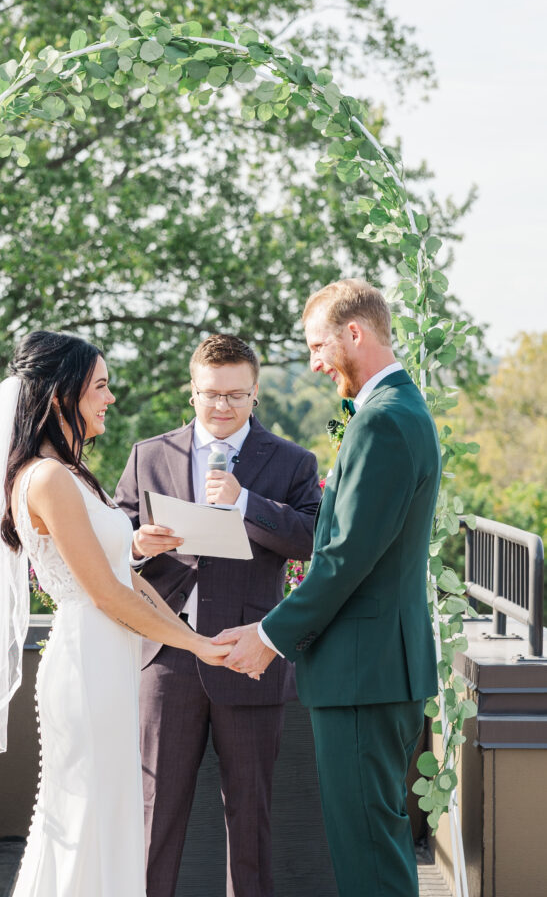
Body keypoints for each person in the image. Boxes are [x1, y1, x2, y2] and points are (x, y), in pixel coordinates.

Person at [0, 330, 230, 897]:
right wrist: (196, 647)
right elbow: (108, 596)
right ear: (62, 395)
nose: (111, 398)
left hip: (109, 656)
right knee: (86, 808)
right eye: (100, 386)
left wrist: (193, 634)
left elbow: (127, 578)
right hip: (88, 659)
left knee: (111, 807)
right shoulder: (46, 479)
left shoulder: (70, 475)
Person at [217, 280, 440, 897]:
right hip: (373, 671)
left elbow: (345, 560)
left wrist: (269, 636)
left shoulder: (384, 423)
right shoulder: (400, 410)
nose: (314, 362)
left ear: (354, 333)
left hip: (363, 675)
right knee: (373, 843)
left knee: (368, 854)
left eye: (318, 345)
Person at [114, 333, 322, 897]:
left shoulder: (293, 462)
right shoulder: (148, 455)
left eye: (236, 395)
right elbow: (111, 543)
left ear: (256, 394)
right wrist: (138, 544)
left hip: (246, 654)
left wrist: (246, 502)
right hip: (167, 657)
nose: (222, 406)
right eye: (211, 394)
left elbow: (312, 540)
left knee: (249, 821)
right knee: (154, 814)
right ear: (192, 392)